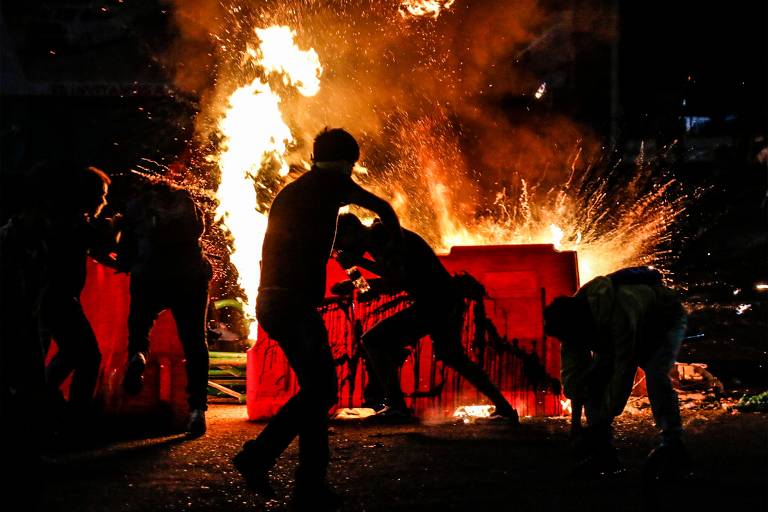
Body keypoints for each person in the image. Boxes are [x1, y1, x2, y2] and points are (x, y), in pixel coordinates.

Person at [232, 128, 401, 511]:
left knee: (315, 391)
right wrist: (397, 248)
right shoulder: (331, 184)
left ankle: (310, 485)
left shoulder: (299, 191)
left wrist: (357, 282)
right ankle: (259, 456)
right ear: (348, 163)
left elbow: (341, 257)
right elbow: (384, 209)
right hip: (292, 305)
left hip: (275, 303)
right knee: (322, 390)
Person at [331, 213, 519, 424]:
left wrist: (358, 263)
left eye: (341, 242)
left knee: (373, 341)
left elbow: (397, 279)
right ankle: (505, 408)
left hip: (436, 301)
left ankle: (397, 407)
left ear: (353, 232)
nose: (342, 248)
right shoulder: (375, 242)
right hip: (440, 300)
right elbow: (370, 289)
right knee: (453, 356)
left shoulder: (385, 236)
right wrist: (352, 272)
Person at [542, 266, 689, 479]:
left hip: (664, 323)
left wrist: (598, 424)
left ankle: (673, 446)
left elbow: (624, 372)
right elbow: (575, 377)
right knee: (594, 379)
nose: (573, 343)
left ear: (582, 327)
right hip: (619, 331)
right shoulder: (570, 322)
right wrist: (575, 426)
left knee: (656, 376)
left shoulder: (619, 313)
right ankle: (604, 455)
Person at [117, 180, 212, 437]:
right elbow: (200, 231)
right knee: (194, 342)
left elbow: (125, 248)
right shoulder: (186, 201)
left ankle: (138, 355)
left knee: (140, 323)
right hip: (191, 278)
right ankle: (197, 412)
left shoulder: (137, 205)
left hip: (149, 275)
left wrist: (125, 262)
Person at [39, 165, 114, 426]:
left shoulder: (66, 219)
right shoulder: (70, 221)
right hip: (57, 298)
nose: (103, 201)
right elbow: (99, 244)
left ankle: (46, 401)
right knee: (88, 356)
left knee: (72, 353)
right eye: (101, 194)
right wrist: (115, 228)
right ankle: (75, 418)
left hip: (55, 298)